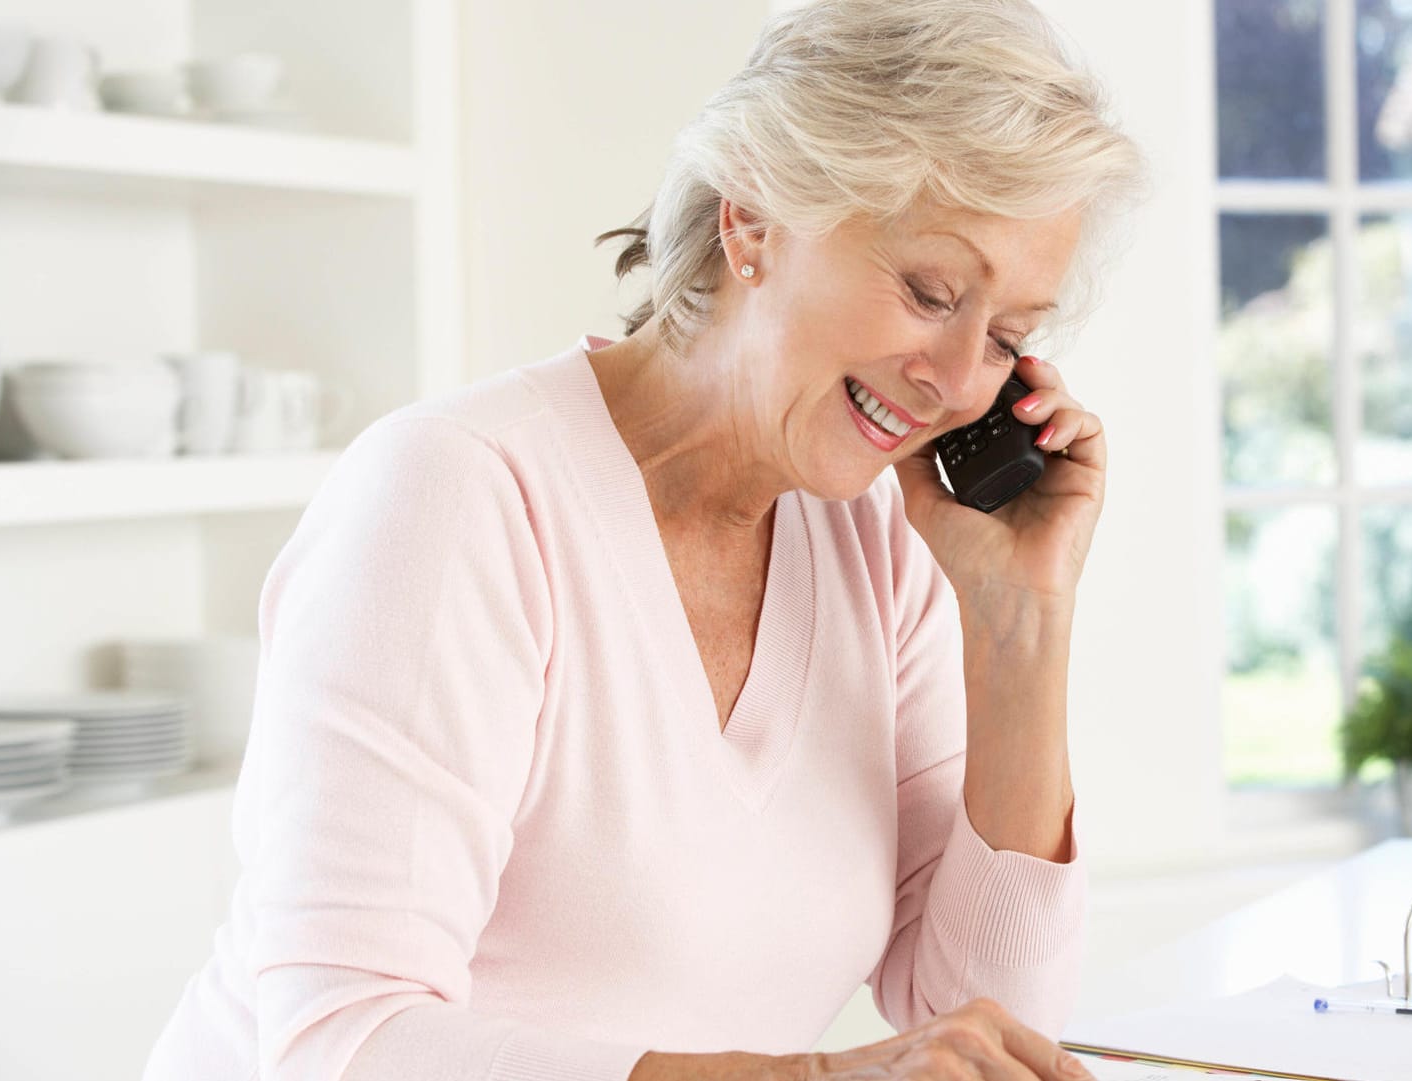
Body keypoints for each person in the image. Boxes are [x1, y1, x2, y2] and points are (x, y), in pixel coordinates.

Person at [142, 0, 1146, 1078]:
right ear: (752, 217)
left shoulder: (877, 545)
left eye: (1004, 338)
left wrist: (1020, 625)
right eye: (928, 291)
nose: (956, 381)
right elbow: (344, 1039)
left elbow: (990, 1025)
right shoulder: (455, 496)